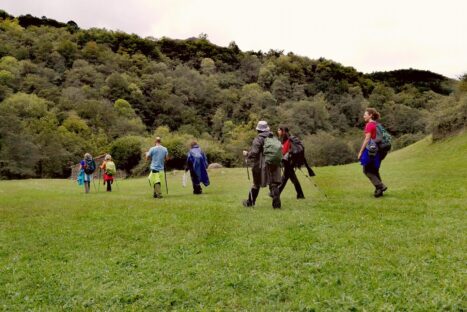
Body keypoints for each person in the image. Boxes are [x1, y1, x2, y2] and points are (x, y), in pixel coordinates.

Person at [242, 121, 282, 209]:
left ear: (258, 130)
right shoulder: (273, 137)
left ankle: (250, 202)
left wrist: (247, 154)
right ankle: (277, 205)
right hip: (274, 163)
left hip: (261, 165)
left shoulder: (258, 139)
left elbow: (255, 152)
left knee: (256, 183)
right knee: (274, 184)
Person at [358, 108, 388, 197]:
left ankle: (381, 186)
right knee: (374, 170)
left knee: (366, 170)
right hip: (380, 150)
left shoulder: (369, 125)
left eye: (365, 114)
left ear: (370, 115)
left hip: (372, 151)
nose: (364, 116)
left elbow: (367, 139)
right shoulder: (377, 124)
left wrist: (360, 151)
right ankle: (379, 191)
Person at [277, 126, 305, 199]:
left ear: (283, 131)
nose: (278, 132)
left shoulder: (287, 139)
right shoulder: (289, 138)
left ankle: (276, 193)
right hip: (290, 162)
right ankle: (300, 194)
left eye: (279, 130)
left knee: (285, 178)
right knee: (290, 178)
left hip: (288, 162)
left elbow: (284, 151)